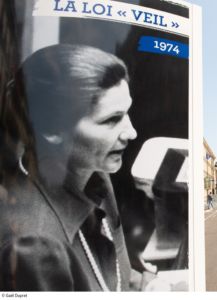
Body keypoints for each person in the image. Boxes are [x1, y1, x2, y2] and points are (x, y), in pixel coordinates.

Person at [0, 44, 138, 291]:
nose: (132, 132)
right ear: (52, 131)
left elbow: (119, 276)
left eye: (127, 113)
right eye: (111, 119)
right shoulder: (34, 246)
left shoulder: (97, 175)